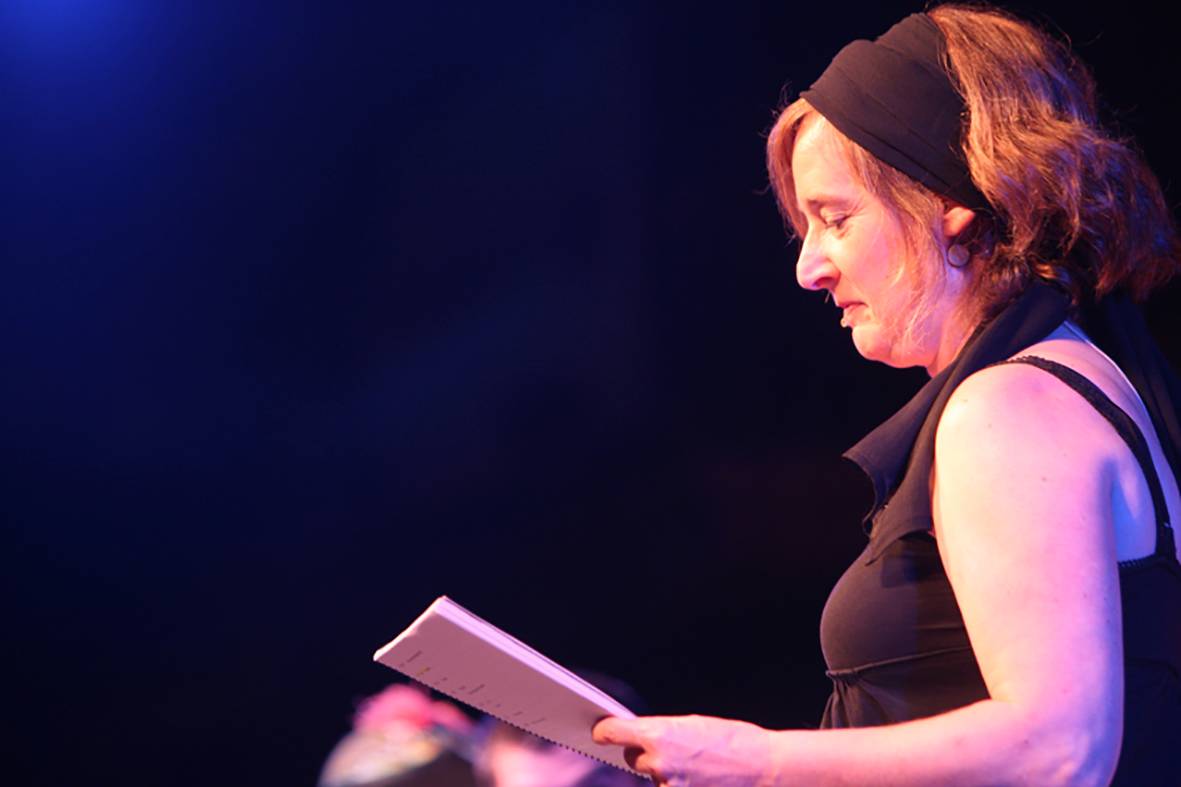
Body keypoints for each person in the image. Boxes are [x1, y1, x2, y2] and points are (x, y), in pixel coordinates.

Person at [592, 4, 1181, 786]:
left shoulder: (1007, 410)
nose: (808, 267)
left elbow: (1058, 749)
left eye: (835, 219)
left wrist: (756, 761)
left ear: (949, 207)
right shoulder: (1069, 377)